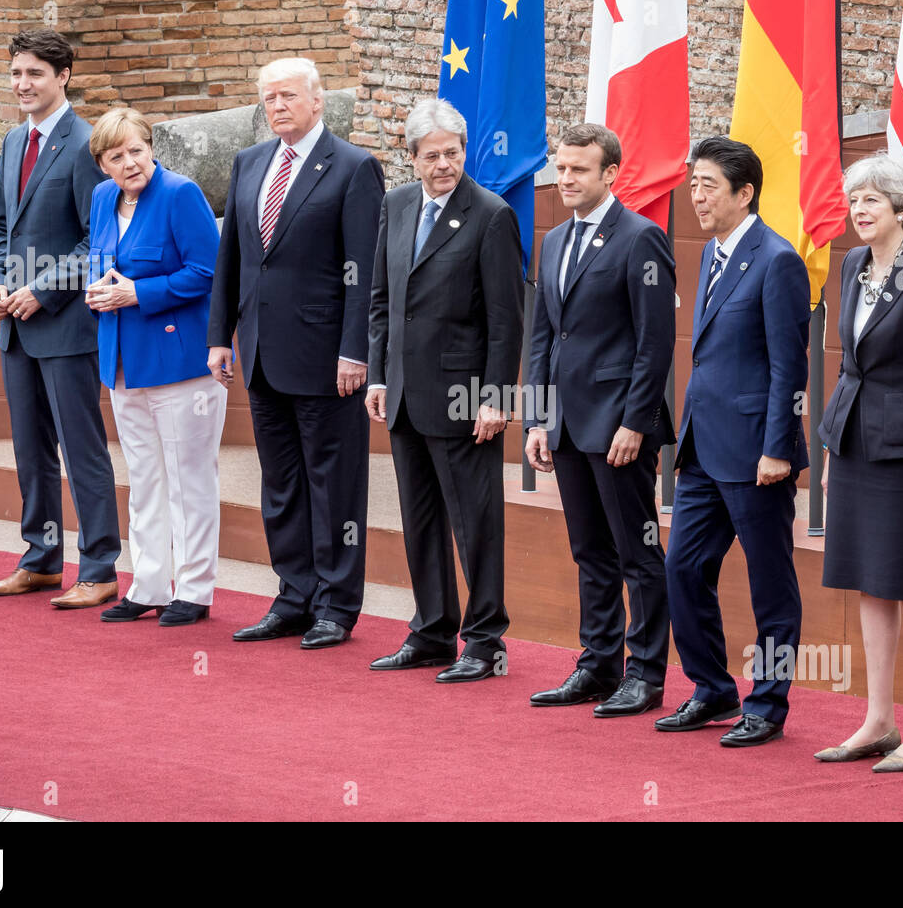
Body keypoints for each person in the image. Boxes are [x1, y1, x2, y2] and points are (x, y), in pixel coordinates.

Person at [208, 57, 384, 649]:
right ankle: (292, 595)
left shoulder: (355, 168)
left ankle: (336, 604)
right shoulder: (250, 163)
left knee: (333, 482)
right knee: (281, 483)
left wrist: (355, 351)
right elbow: (231, 258)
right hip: (259, 352)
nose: (276, 106)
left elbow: (365, 273)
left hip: (326, 359)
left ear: (317, 102)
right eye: (268, 98)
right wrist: (218, 335)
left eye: (287, 95)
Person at [813, 154, 903, 771]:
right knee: (868, 582)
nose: (859, 211)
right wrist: (830, 448)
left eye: (872, 200)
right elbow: (852, 364)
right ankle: (879, 720)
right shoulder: (851, 264)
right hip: (853, 443)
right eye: (854, 201)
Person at [366, 98, 524, 682]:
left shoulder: (491, 214)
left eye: (452, 154)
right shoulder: (397, 205)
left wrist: (497, 398)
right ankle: (431, 631)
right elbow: (381, 299)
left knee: (476, 525)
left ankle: (485, 643)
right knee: (421, 520)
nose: (443, 166)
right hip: (405, 396)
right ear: (411, 160)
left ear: (465, 152)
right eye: (431, 156)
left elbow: (507, 318)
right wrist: (379, 374)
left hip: (464, 400)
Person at [524, 123, 675, 717]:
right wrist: (537, 418)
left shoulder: (643, 239)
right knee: (590, 551)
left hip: (619, 428)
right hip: (564, 425)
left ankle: (645, 674)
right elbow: (542, 336)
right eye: (560, 168)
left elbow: (654, 343)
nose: (565, 179)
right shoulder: (555, 239)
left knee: (637, 552)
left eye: (578, 170)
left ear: (610, 174)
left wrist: (635, 423)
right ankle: (596, 665)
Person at [662, 137, 809, 744]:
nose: (696, 196)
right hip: (703, 449)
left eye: (709, 186)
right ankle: (712, 688)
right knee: (683, 567)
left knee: (769, 581)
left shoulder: (776, 259)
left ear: (744, 192)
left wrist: (777, 446)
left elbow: (788, 365)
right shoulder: (713, 253)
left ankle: (768, 706)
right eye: (692, 184)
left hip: (756, 455)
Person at [0, 29, 121, 608]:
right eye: (16, 73)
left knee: (79, 447)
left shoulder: (85, 143)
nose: (23, 84)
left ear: (63, 76)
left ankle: (101, 568)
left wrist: (41, 289)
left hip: (64, 327)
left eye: (35, 73)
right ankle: (39, 560)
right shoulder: (13, 142)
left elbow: (98, 241)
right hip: (13, 328)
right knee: (29, 448)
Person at [83, 108, 224, 626]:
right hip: (122, 363)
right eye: (116, 156)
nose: (130, 162)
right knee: (142, 479)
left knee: (190, 481)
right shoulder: (102, 199)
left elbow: (208, 273)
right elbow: (102, 262)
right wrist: (97, 291)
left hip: (182, 363)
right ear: (102, 165)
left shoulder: (181, 194)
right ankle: (147, 585)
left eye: (137, 150)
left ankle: (194, 589)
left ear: (151, 147)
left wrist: (136, 293)